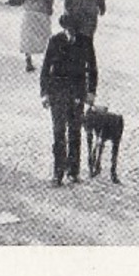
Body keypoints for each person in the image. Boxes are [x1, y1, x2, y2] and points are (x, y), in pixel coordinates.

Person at [40, 16, 97, 186]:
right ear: (63, 27)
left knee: (74, 132)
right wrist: (44, 93)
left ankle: (73, 171)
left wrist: (91, 92)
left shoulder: (85, 42)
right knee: (58, 132)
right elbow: (45, 69)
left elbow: (92, 69)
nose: (70, 32)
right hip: (57, 93)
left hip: (77, 94)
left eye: (73, 29)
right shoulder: (55, 41)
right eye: (68, 28)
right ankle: (58, 173)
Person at [17, 0, 54, 73]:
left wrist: (23, 2)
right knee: (44, 35)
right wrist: (50, 7)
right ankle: (46, 62)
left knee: (28, 36)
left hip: (28, 9)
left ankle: (28, 60)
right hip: (41, 9)